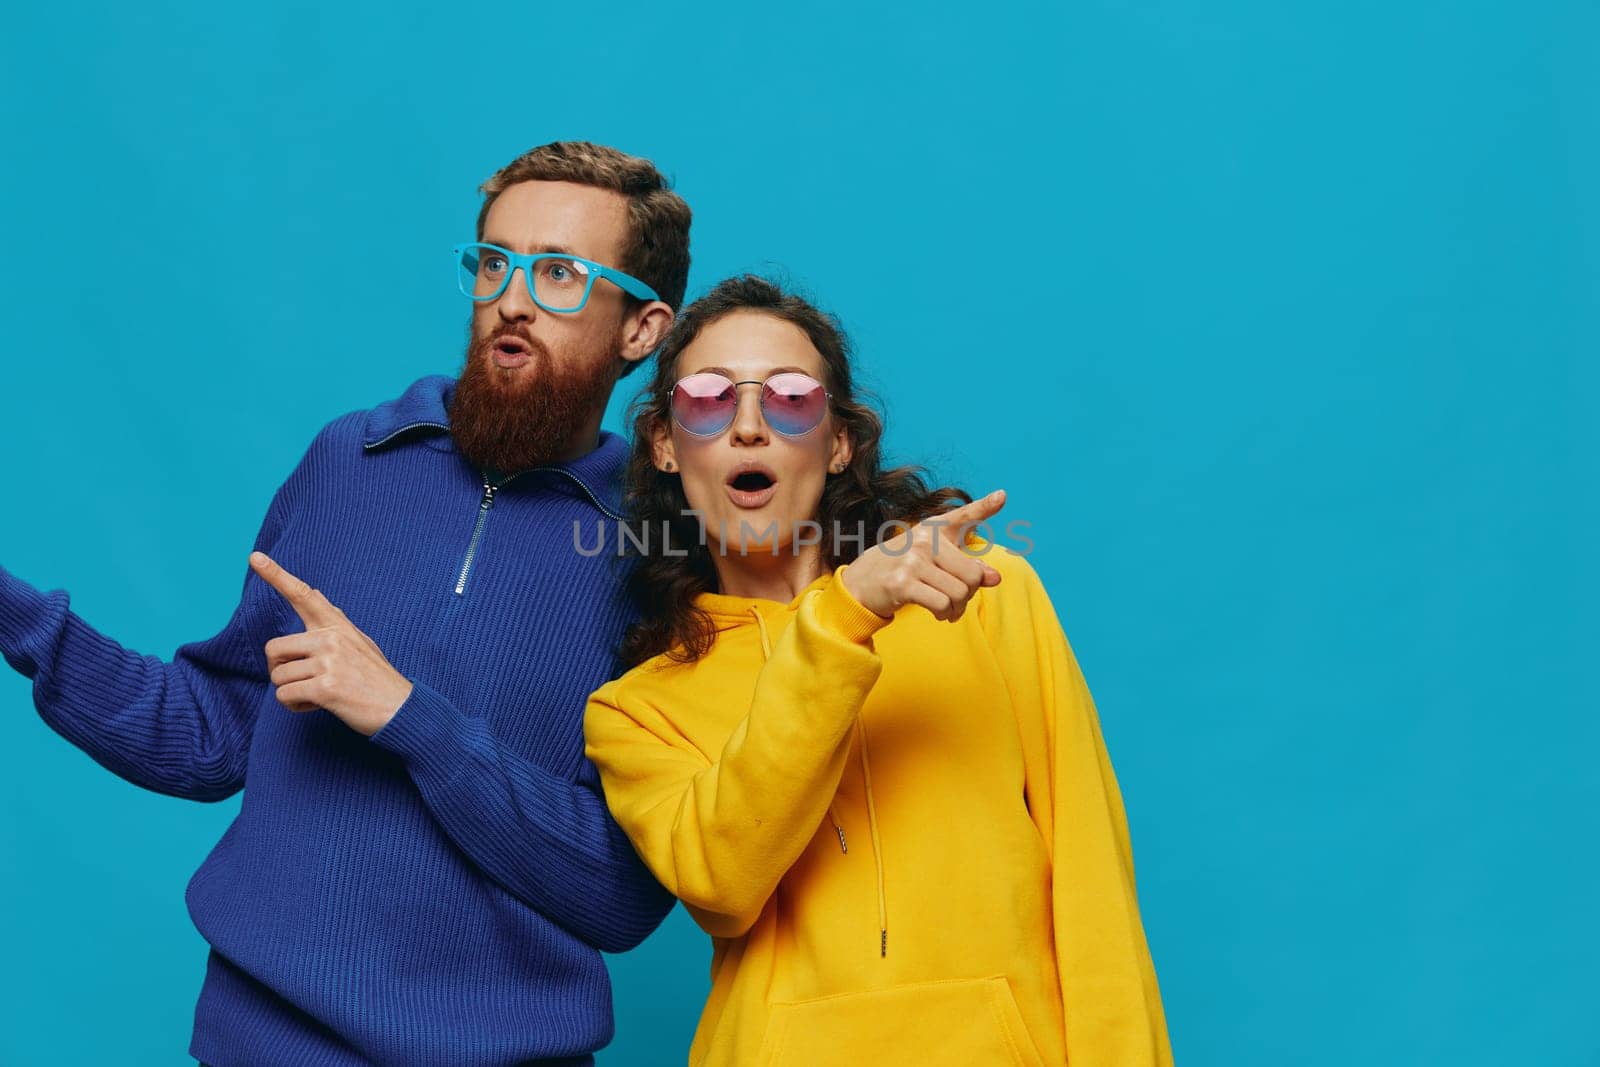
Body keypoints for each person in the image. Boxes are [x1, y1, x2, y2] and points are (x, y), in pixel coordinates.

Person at [0, 141, 691, 1067]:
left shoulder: (655, 551)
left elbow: (620, 892)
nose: (513, 301)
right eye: (495, 263)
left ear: (641, 331)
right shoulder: (352, 461)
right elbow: (212, 730)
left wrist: (410, 717)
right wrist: (14, 613)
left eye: (560, 274)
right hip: (259, 1044)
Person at [584, 275, 1173, 1067]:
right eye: (709, 398)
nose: (750, 425)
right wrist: (843, 618)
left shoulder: (984, 593)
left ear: (837, 443)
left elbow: (1093, 884)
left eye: (791, 397)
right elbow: (723, 884)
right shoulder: (636, 710)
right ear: (664, 442)